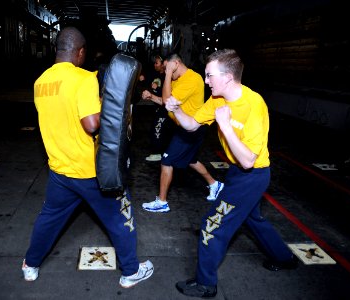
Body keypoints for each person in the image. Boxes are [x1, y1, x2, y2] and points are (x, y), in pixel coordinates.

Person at [22, 26, 153, 288]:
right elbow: (91, 124)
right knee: (120, 217)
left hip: (59, 169)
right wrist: (112, 104)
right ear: (80, 52)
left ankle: (30, 265)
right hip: (90, 171)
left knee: (49, 218)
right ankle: (130, 272)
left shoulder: (40, 82)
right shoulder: (82, 80)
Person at [165, 49, 298, 298]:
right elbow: (192, 124)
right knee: (252, 218)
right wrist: (176, 110)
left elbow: (248, 160)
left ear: (227, 77)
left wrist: (225, 126)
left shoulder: (253, 105)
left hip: (252, 175)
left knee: (212, 225)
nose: (206, 81)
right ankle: (284, 257)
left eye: (209, 75)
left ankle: (205, 284)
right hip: (237, 173)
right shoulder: (217, 98)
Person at [142, 53, 224, 213]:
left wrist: (166, 75)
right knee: (191, 160)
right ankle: (215, 184)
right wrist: (152, 96)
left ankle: (162, 201)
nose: (167, 72)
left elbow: (167, 101)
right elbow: (168, 103)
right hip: (185, 128)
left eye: (168, 69)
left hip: (191, 129)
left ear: (177, 64)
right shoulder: (177, 80)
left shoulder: (192, 79)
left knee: (166, 160)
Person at [142, 54, 173, 162]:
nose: (155, 65)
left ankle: (158, 153)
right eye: (154, 63)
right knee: (157, 129)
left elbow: (166, 98)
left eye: (157, 63)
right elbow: (146, 84)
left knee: (157, 128)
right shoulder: (153, 74)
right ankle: (162, 151)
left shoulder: (167, 78)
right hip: (157, 107)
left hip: (165, 108)